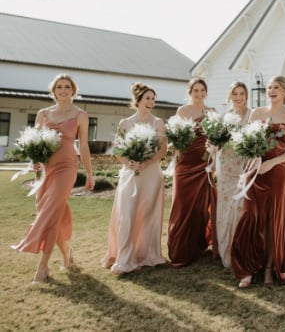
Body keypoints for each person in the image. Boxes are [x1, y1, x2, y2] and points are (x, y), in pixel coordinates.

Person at [12, 74, 95, 283]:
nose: (63, 90)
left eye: (67, 86)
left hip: (67, 167)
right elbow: (35, 142)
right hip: (46, 169)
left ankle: (43, 266)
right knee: (50, 213)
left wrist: (90, 173)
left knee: (50, 212)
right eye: (59, 87)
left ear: (73, 90)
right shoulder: (43, 113)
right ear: (54, 91)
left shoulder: (80, 115)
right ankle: (67, 252)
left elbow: (83, 146)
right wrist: (35, 161)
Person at [231, 75, 285, 288]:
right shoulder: (257, 113)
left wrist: (272, 164)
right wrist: (253, 162)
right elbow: (247, 143)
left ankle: (270, 268)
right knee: (251, 215)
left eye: (276, 87)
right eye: (270, 87)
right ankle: (249, 269)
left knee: (272, 220)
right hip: (254, 171)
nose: (271, 90)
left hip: (277, 172)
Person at [102, 82, 167, 274]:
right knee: (127, 213)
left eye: (153, 99)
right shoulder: (125, 123)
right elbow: (118, 150)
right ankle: (123, 257)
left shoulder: (158, 123)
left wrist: (146, 163)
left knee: (148, 214)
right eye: (147, 98)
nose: (151, 102)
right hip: (129, 173)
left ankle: (147, 254)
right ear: (138, 101)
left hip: (151, 174)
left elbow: (163, 150)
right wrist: (127, 162)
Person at [167, 78, 218, 267]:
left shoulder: (212, 112)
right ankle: (180, 249)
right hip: (185, 164)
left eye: (202, 90)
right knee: (182, 205)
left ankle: (197, 246)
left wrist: (213, 156)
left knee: (200, 207)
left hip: (204, 164)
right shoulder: (183, 111)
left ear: (206, 92)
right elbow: (175, 138)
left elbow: (216, 140)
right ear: (190, 92)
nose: (199, 93)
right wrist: (177, 154)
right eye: (195, 90)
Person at [215, 82, 251, 268]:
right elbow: (217, 143)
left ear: (246, 95)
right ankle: (226, 249)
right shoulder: (224, 117)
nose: (238, 97)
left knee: (241, 207)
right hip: (227, 168)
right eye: (235, 93)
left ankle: (241, 249)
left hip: (245, 168)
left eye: (242, 93)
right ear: (230, 96)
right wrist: (212, 146)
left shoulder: (252, 115)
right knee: (226, 207)